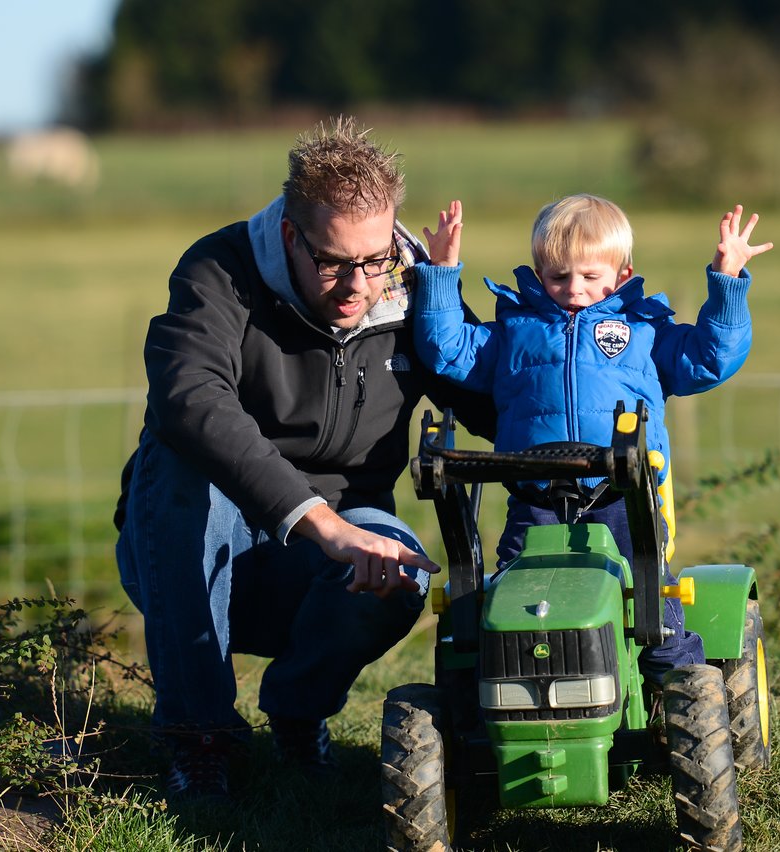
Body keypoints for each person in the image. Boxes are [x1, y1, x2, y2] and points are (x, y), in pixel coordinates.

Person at [113, 117, 494, 801]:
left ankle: (295, 714)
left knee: (398, 566)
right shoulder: (218, 268)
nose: (356, 284)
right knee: (173, 468)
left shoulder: (413, 288)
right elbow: (187, 398)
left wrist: (576, 350)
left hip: (331, 557)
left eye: (375, 259)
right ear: (290, 235)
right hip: (200, 546)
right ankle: (199, 739)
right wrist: (321, 521)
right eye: (332, 261)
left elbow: (491, 403)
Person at [412, 194, 773, 685]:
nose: (574, 291)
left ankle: (678, 681)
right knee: (516, 591)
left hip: (622, 494)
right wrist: (442, 273)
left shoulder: (643, 329)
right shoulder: (515, 331)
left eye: (589, 277)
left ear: (622, 275)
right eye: (559, 277)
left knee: (648, 596)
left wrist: (727, 281)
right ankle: (510, 685)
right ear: (540, 275)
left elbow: (708, 359)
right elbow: (447, 350)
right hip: (534, 495)